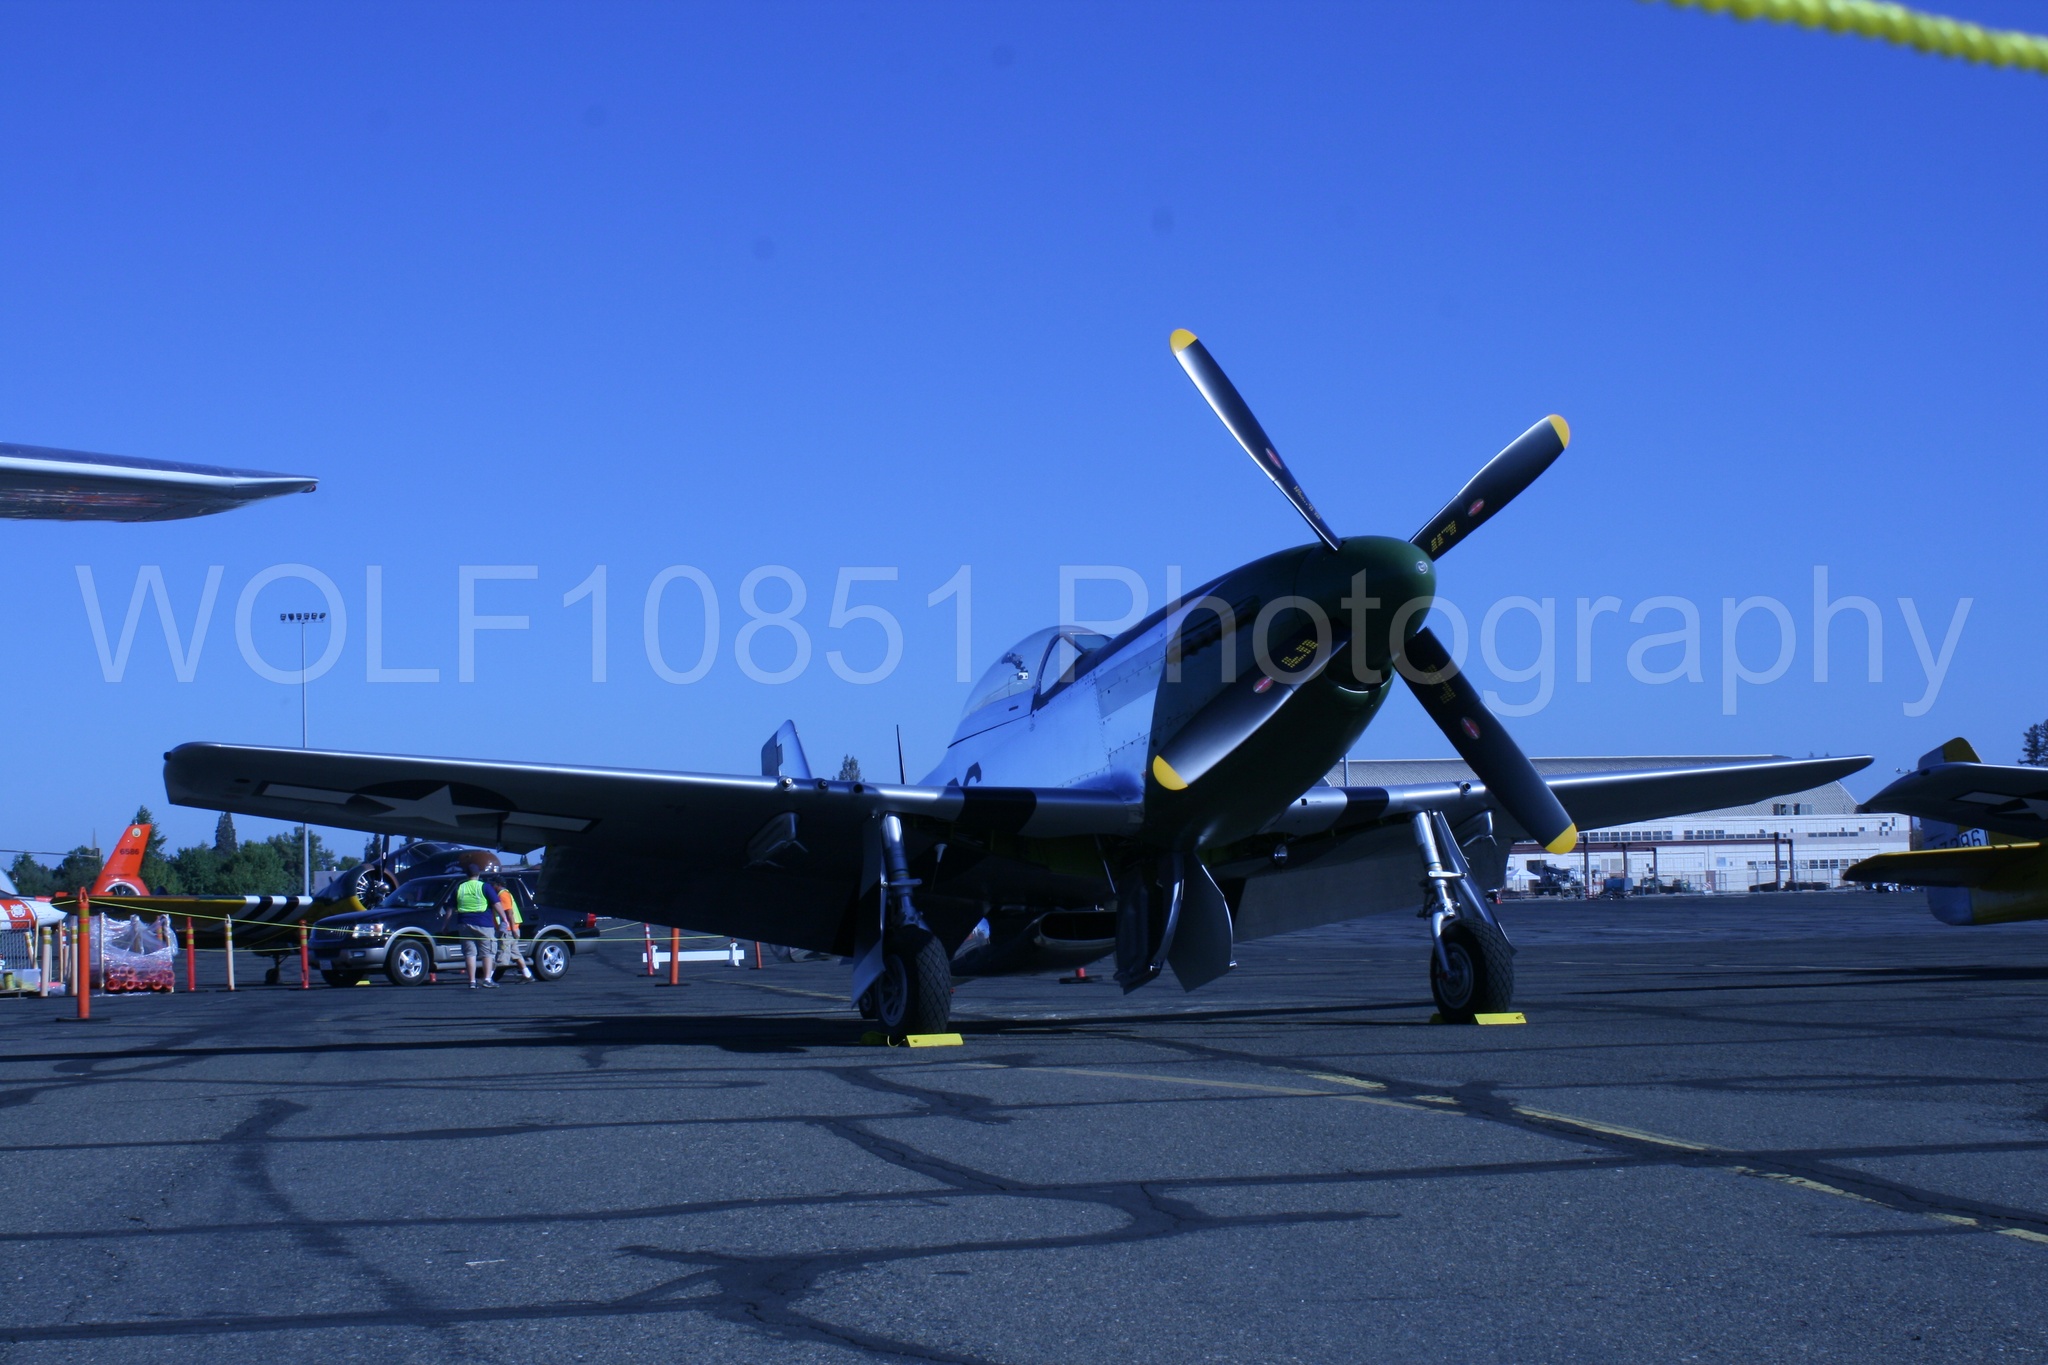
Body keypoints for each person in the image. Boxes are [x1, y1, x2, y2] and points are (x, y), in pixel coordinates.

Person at [454, 866, 497, 988]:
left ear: (466, 874)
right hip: (483, 923)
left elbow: (450, 909)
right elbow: (496, 903)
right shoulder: (484, 886)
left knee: (470, 953)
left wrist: (445, 924)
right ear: (479, 874)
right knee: (487, 952)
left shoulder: (460, 887)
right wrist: (504, 918)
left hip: (464, 923)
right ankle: (487, 979)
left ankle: (472, 981)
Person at [493, 882, 533, 981]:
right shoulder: (505, 893)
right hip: (511, 929)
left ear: (497, 884)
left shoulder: (503, 895)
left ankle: (489, 978)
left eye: (492, 884)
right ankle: (527, 975)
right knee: (515, 954)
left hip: (508, 930)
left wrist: (513, 930)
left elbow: (509, 914)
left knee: (501, 955)